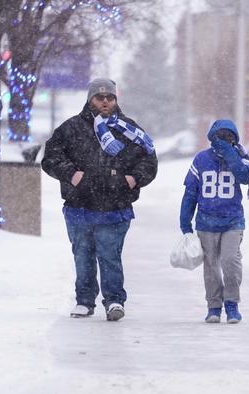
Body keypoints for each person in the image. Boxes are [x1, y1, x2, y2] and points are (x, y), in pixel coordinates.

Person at [41, 78, 158, 321]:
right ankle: (84, 300)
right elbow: (50, 158)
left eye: (110, 97)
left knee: (109, 256)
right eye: (100, 97)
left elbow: (149, 160)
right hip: (79, 207)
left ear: (116, 99)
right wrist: (72, 175)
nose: (105, 101)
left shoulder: (130, 130)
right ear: (90, 99)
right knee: (82, 256)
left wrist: (133, 179)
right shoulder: (70, 129)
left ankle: (114, 300)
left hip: (115, 208)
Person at [179, 119, 249, 324]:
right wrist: (185, 221)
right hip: (206, 221)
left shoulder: (240, 157)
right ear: (212, 138)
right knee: (211, 266)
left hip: (233, 221)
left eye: (228, 137)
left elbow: (246, 178)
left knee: (230, 261)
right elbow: (190, 191)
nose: (224, 140)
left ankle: (232, 303)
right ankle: (214, 305)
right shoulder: (202, 159)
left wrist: (231, 154)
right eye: (220, 136)